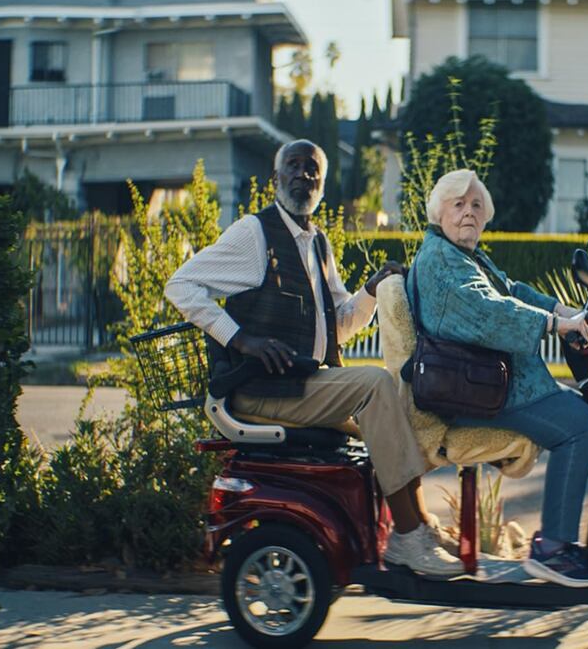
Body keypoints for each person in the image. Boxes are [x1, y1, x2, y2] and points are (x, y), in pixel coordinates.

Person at [165, 139, 461, 576]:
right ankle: (408, 538)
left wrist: (371, 290)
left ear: (322, 184)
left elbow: (337, 324)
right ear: (275, 179)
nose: (304, 175)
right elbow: (181, 285)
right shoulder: (254, 233)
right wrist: (241, 339)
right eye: (294, 166)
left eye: (313, 169)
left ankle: (414, 525)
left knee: (395, 404)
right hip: (262, 390)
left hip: (300, 384)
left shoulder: (317, 242)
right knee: (376, 385)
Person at [408, 169, 588, 588]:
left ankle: (566, 541)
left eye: (476, 206)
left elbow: (509, 291)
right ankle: (555, 549)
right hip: (474, 393)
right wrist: (553, 325)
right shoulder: (441, 262)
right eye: (458, 204)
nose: (468, 213)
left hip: (488, 384)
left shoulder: (463, 256)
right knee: (581, 425)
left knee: (586, 410)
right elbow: (488, 312)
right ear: (438, 212)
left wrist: (565, 311)